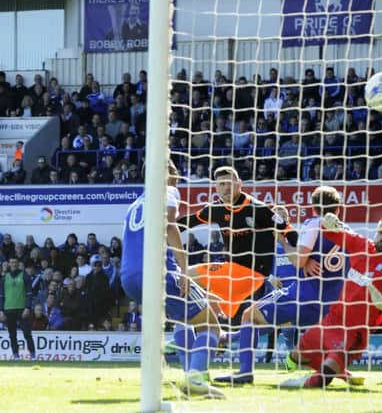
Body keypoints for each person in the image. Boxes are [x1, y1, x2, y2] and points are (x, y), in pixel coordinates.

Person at [215, 187, 348, 384]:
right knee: (270, 324)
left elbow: (297, 261)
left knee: (249, 315)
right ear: (339, 209)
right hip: (328, 307)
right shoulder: (349, 233)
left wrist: (288, 246)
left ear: (313, 208)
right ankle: (334, 366)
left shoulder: (313, 224)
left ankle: (244, 371)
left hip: (301, 295)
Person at [120, 160, 225, 398]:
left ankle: (191, 374)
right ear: (164, 173)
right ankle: (196, 377)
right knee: (210, 324)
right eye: (175, 172)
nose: (177, 178)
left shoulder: (135, 204)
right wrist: (185, 270)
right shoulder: (167, 190)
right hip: (158, 272)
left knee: (186, 318)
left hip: (129, 277)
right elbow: (170, 226)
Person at [280, 215, 382, 388]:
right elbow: (333, 234)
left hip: (354, 332)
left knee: (325, 376)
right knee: (296, 356)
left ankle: (307, 380)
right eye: (380, 232)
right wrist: (328, 223)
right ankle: (340, 371)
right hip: (332, 319)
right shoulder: (362, 245)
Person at [183, 166, 297, 323]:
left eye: (230, 182)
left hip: (252, 275)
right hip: (235, 281)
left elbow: (289, 230)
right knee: (219, 323)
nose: (226, 188)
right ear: (215, 187)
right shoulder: (215, 208)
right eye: (221, 184)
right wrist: (163, 225)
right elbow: (188, 221)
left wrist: (308, 256)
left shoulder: (257, 208)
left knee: (181, 276)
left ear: (239, 184)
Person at [0, 258, 36, 359]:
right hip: (8, 309)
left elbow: (29, 294)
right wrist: (1, 310)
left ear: (19, 264)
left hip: (22, 309)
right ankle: (16, 356)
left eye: (15, 262)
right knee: (12, 335)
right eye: (12, 262)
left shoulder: (25, 276)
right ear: (9, 264)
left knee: (27, 334)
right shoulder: (4, 278)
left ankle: (33, 356)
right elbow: (1, 295)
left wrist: (28, 307)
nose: (14, 264)